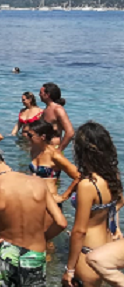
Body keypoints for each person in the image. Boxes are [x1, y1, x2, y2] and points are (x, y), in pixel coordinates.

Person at [0, 149, 67, 287]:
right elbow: (61, 223)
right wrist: (43, 237)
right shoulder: (39, 183)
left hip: (5, 252)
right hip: (34, 254)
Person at [63, 122, 123, 287]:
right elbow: (119, 203)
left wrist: (69, 269)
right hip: (108, 247)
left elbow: (79, 231)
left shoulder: (88, 185)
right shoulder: (113, 175)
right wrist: (115, 227)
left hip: (87, 252)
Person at [27, 120, 79, 204]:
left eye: (30, 135)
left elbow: (78, 176)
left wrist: (64, 196)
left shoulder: (55, 155)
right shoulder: (34, 150)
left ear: (42, 137)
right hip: (34, 200)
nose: (27, 137)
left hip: (50, 201)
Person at [39, 82, 74, 151]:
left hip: (54, 149)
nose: (39, 95)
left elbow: (70, 132)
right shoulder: (45, 110)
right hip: (45, 149)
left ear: (47, 95)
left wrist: (59, 150)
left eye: (41, 92)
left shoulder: (57, 109)